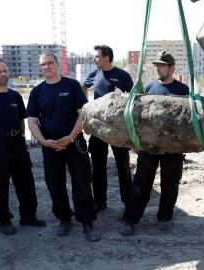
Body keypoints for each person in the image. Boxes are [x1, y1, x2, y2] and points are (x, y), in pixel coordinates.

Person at [27, 52, 100, 242]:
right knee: (55, 185)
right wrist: (43, 141)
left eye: (50, 63)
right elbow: (33, 121)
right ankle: (64, 218)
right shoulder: (37, 92)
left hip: (74, 143)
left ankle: (86, 221)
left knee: (82, 183)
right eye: (43, 64)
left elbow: (82, 114)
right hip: (50, 147)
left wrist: (70, 137)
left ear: (57, 64)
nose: (46, 67)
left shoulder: (72, 85)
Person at [118, 51, 189, 236]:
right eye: (156, 65)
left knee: (170, 183)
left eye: (162, 65)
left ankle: (165, 216)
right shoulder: (148, 87)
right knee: (141, 182)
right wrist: (135, 141)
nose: (158, 68)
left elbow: (188, 120)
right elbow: (138, 118)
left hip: (173, 147)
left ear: (172, 68)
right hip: (149, 147)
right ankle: (130, 219)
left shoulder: (183, 90)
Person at [0, 59, 46, 235]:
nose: (3, 74)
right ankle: (4, 220)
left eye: (5, 71)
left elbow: (22, 120)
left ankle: (28, 216)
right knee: (0, 184)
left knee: (26, 182)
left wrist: (24, 139)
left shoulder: (15, 96)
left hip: (17, 143)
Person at [81, 45, 133, 212]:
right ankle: (100, 202)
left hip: (119, 129)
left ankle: (128, 201)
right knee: (97, 166)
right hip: (99, 128)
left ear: (106, 57)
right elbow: (83, 87)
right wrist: (86, 104)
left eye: (96, 56)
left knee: (123, 166)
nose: (94, 59)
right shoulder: (94, 74)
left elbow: (134, 97)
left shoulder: (122, 75)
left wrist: (122, 97)